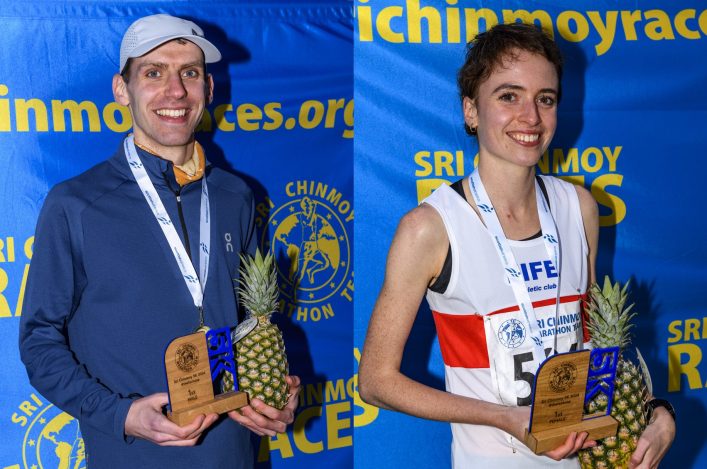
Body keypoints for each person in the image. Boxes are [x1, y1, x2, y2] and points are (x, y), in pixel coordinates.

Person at [358, 23, 675, 468]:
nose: (530, 117)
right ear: (471, 110)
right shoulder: (431, 228)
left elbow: (598, 345)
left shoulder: (579, 207)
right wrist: (505, 417)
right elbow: (375, 382)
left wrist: (657, 411)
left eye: (545, 99)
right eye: (508, 96)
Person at [19, 14, 300, 468]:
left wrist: (274, 391)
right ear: (121, 89)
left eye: (189, 73)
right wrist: (120, 414)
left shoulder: (235, 195)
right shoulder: (75, 204)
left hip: (232, 456)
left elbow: (256, 320)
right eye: (154, 73)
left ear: (208, 88)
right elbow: (38, 341)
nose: (175, 91)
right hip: (131, 456)